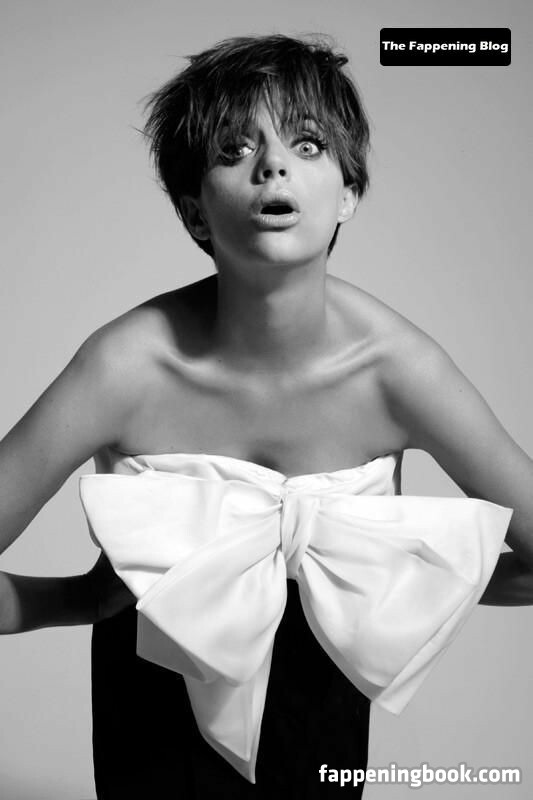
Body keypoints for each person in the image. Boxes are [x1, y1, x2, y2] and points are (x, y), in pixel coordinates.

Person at [0, 33, 532, 799]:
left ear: (347, 192)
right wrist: (71, 601)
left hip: (321, 726)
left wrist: (412, 573)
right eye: (234, 149)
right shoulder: (125, 367)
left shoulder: (398, 370)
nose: (272, 166)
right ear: (195, 211)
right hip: (148, 720)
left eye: (306, 144)